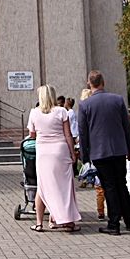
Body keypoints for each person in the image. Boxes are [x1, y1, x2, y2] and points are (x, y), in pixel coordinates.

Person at [78, 70, 130, 235]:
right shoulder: (117, 99)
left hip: (100, 152)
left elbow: (83, 133)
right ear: (103, 82)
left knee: (109, 187)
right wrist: (129, 149)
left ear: (89, 83)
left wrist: (84, 156)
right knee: (121, 184)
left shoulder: (85, 105)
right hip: (119, 149)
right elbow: (126, 126)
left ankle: (114, 224)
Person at [27, 85, 80, 232]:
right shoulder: (61, 111)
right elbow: (68, 134)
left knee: (42, 187)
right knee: (64, 187)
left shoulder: (34, 113)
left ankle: (39, 223)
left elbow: (32, 134)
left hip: (43, 152)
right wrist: (72, 153)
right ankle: (68, 221)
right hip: (60, 151)